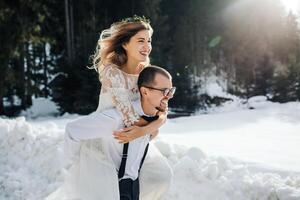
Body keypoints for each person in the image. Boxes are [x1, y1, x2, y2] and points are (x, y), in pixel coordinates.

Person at [46, 16, 173, 200]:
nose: (147, 46)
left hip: (133, 140)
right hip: (107, 141)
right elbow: (129, 117)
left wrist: (147, 129)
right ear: (125, 44)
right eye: (140, 41)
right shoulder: (112, 72)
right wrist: (148, 127)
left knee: (160, 177)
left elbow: (162, 111)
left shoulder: (146, 72)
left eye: (149, 40)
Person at [64, 66, 175, 200]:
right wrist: (74, 168)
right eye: (165, 91)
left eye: (171, 90)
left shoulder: (152, 119)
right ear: (145, 92)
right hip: (110, 190)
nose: (169, 96)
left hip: (133, 187)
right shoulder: (115, 119)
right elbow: (72, 130)